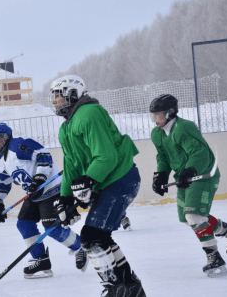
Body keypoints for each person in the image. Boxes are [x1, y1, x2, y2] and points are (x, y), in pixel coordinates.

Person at [50, 75, 146, 297]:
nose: (54, 101)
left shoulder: (90, 113)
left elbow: (107, 156)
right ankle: (131, 288)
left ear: (72, 94)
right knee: (98, 237)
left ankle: (116, 288)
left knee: (91, 237)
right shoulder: (66, 128)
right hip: (109, 183)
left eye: (58, 95)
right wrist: (65, 199)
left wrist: (89, 180)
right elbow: (71, 166)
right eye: (53, 96)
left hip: (120, 179)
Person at [150, 94, 227, 278]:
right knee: (187, 218)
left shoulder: (184, 128)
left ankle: (214, 257)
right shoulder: (157, 134)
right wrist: (160, 176)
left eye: (158, 116)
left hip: (203, 175)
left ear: (170, 113)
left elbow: (200, 153)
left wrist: (190, 170)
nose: (155, 120)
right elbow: (163, 157)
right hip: (185, 178)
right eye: (153, 116)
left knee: (194, 215)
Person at [0, 122, 88, 279]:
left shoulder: (17, 144)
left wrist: (40, 177)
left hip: (51, 188)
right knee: (24, 224)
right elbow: (0, 184)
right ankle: (41, 260)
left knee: (52, 227)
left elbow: (43, 155)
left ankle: (80, 247)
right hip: (34, 193)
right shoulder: (1, 162)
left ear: (4, 137)